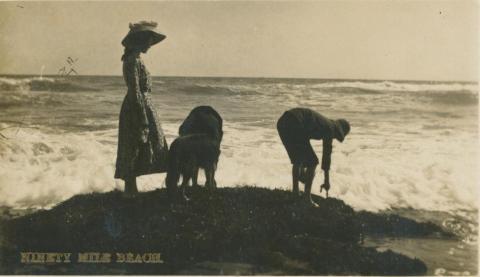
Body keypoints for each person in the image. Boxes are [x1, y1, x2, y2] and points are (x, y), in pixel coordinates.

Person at [115, 21, 169, 195]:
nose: (150, 45)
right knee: (135, 144)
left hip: (141, 105)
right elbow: (135, 90)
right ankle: (130, 191)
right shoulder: (132, 61)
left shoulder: (136, 59)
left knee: (146, 144)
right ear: (140, 40)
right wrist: (143, 117)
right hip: (136, 106)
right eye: (148, 40)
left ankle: (132, 191)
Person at [276, 107, 350, 205]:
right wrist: (326, 181)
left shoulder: (325, 123)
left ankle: (295, 192)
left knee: (298, 160)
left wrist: (302, 170)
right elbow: (326, 157)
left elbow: (303, 142)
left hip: (283, 122)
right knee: (313, 162)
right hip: (295, 121)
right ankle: (306, 197)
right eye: (338, 136)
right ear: (338, 130)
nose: (335, 137)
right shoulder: (330, 129)